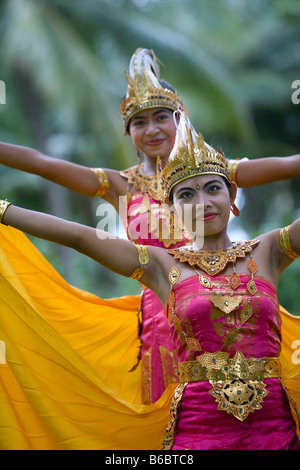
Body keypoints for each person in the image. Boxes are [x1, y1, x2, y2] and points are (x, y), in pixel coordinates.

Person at [1, 48, 300, 405]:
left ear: (180, 117)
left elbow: (288, 163)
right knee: (174, 407)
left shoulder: (214, 171)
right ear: (127, 133)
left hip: (230, 292)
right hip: (161, 306)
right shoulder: (119, 185)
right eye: (139, 122)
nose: (153, 129)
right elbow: (44, 166)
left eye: (161, 117)